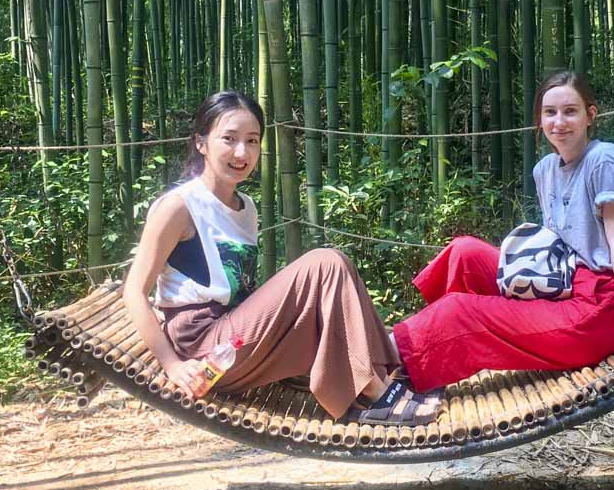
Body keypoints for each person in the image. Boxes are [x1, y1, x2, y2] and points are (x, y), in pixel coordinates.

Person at [123, 91, 438, 425]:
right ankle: (372, 394)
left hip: (235, 338)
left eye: (252, 140)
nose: (242, 152)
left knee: (337, 267)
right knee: (325, 262)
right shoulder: (179, 206)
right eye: (228, 139)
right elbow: (134, 292)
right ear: (201, 143)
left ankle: (381, 380)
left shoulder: (246, 207)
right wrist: (173, 365)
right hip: (204, 351)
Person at [392, 70, 614, 392]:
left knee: (460, 310)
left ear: (590, 115)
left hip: (602, 307)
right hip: (562, 279)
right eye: (550, 112)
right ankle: (428, 353)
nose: (559, 122)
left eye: (570, 111)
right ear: (539, 119)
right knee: (465, 251)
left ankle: (383, 358)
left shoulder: (604, 161)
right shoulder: (545, 170)